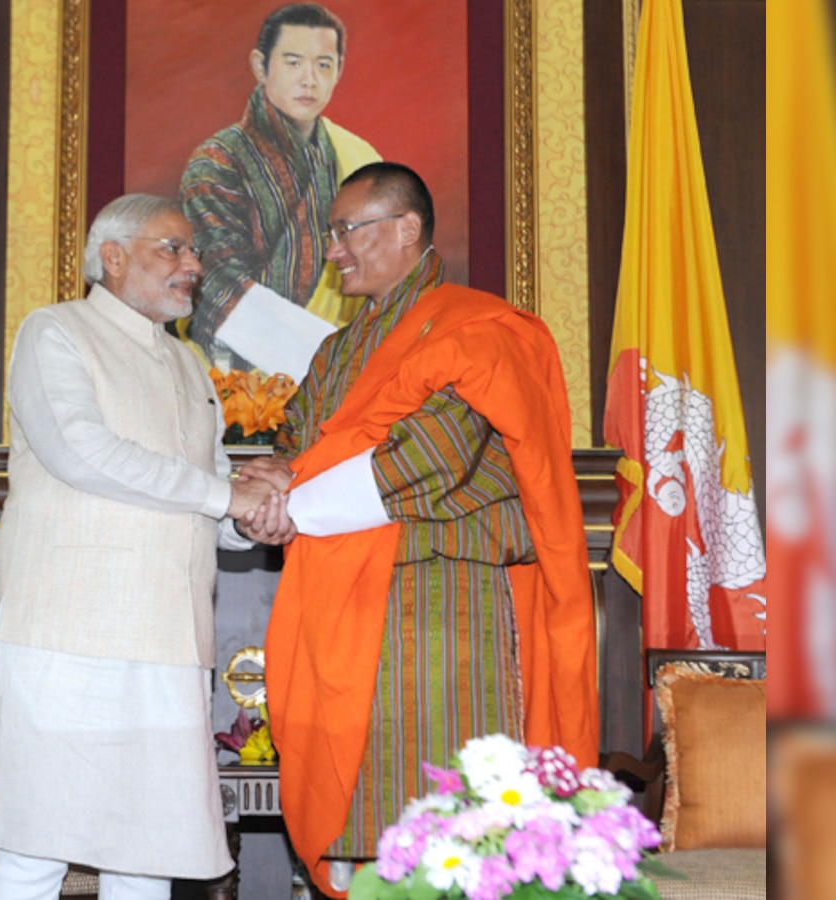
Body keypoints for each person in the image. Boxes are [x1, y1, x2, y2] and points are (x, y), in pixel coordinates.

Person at [238, 163, 600, 897]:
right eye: (331, 232)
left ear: (406, 229)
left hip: (443, 602)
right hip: (340, 600)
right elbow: (298, 436)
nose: (334, 249)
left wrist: (287, 505)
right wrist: (267, 478)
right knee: (357, 803)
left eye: (347, 230)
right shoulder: (338, 350)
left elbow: (431, 459)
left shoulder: (476, 327)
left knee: (449, 806)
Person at [0, 194, 277, 900]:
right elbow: (83, 453)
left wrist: (250, 520)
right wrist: (224, 498)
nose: (193, 264)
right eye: (172, 248)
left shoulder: (189, 363)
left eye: (194, 251)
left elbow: (213, 492)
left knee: (148, 854)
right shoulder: (55, 332)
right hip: (65, 633)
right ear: (111, 258)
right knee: (34, 845)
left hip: (170, 643)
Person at [178, 2, 380, 380]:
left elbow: (384, 275)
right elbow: (216, 283)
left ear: (340, 70)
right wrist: (322, 362)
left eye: (323, 64)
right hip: (227, 377)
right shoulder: (217, 162)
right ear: (260, 65)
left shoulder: (357, 158)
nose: (309, 79)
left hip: (339, 375)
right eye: (292, 62)